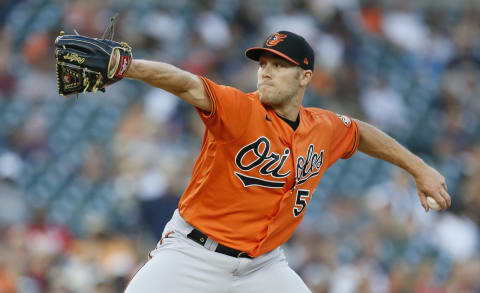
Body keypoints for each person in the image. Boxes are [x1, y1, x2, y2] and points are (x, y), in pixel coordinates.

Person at [122, 31, 451, 293]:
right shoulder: (239, 109)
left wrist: (419, 168)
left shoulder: (322, 127)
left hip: (263, 266)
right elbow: (185, 82)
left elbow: (360, 132)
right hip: (194, 254)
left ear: (305, 76)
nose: (265, 72)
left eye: (278, 66)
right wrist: (128, 67)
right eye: (262, 64)